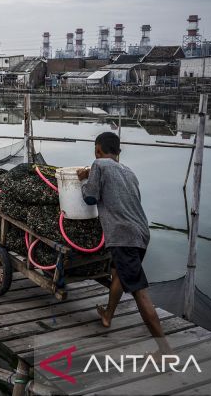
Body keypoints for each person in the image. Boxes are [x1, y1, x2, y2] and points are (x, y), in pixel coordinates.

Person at [77, 131, 172, 354]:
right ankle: (108, 315)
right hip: (141, 234)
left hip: (123, 237)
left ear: (97, 150)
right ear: (118, 152)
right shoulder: (129, 172)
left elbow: (90, 197)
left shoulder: (98, 165)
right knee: (118, 273)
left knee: (140, 291)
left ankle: (165, 350)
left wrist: (83, 180)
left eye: (96, 152)